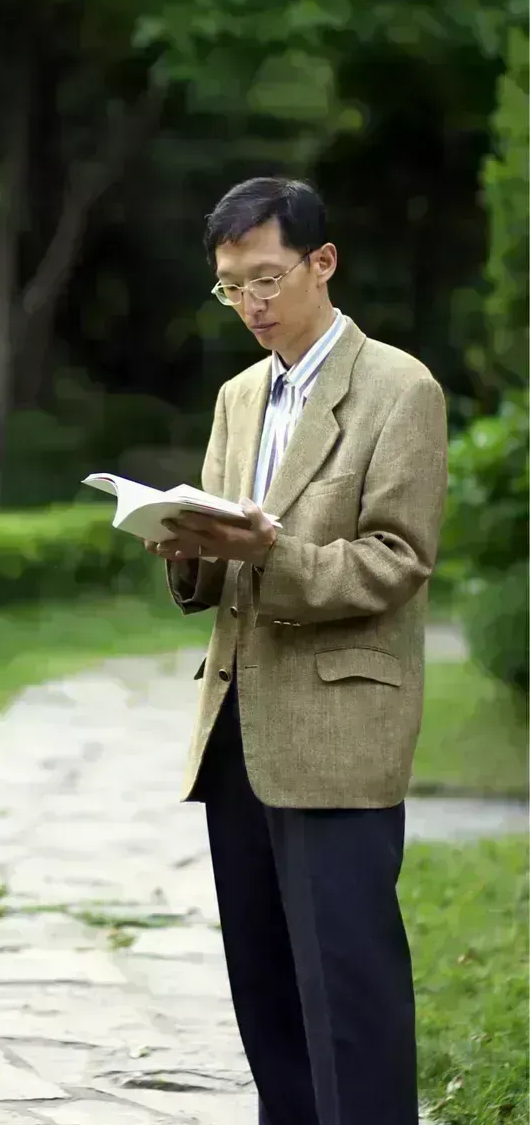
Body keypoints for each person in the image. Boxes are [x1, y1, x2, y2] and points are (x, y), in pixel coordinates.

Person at [144, 176, 448, 1125]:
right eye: (232, 286)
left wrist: (271, 554)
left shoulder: (400, 388)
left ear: (323, 262)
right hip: (236, 729)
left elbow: (398, 560)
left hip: (338, 733)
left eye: (268, 279)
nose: (252, 304)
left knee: (349, 998)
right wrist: (185, 549)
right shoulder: (238, 397)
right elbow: (221, 557)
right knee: (266, 996)